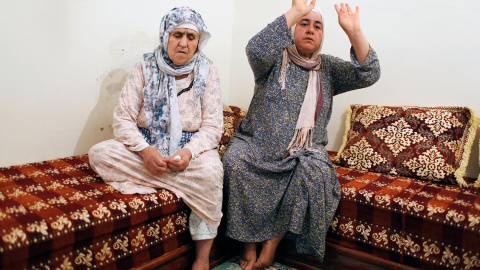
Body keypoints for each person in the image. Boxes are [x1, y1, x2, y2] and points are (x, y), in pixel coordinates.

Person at [222, 0, 380, 269]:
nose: (310, 30)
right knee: (234, 161)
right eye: (304, 24)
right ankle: (247, 244)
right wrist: (296, 11)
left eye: (317, 26)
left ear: (322, 34)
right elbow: (255, 49)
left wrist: (353, 31)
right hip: (255, 144)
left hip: (304, 150)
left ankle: (271, 244)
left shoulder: (328, 68)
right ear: (293, 30)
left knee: (315, 173)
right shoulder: (272, 60)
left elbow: (369, 73)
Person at [88, 6, 223, 270]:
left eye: (191, 37)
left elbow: (212, 127)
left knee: (211, 174)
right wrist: (145, 151)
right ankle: (173, 180)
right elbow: (123, 118)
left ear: (198, 42)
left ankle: (202, 257)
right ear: (165, 36)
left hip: (189, 153)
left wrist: (188, 153)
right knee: (99, 153)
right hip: (147, 147)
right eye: (177, 35)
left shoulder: (208, 71)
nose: (183, 43)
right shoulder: (145, 67)